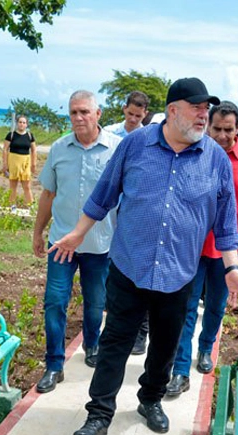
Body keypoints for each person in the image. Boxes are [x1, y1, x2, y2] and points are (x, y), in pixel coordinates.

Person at [49, 78, 238, 435]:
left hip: (179, 273)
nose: (202, 116)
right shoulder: (135, 145)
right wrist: (78, 233)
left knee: (164, 345)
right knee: (115, 342)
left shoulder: (215, 160)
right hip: (129, 265)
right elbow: (104, 194)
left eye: (206, 110)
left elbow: (225, 222)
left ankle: (150, 400)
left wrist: (232, 267)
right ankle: (98, 417)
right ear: (173, 110)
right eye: (196, 108)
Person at [166, 101, 238, 397]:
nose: (222, 136)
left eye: (229, 130)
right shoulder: (193, 154)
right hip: (191, 249)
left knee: (215, 307)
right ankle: (180, 370)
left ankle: (206, 349)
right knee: (185, 308)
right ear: (208, 126)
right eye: (217, 129)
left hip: (228, 254)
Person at [32, 90, 122, 394]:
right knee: (54, 302)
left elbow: (126, 199)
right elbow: (48, 194)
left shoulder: (117, 149)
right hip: (61, 245)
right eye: (73, 113)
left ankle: (92, 345)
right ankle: (54, 365)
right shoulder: (59, 149)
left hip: (99, 246)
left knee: (96, 303)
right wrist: (37, 232)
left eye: (85, 112)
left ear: (98, 114)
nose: (79, 118)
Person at [103, 91, 152, 356]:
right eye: (130, 113)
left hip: (133, 216)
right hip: (109, 212)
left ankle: (140, 332)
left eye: (138, 115)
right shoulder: (109, 134)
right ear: (124, 109)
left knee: (136, 272)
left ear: (145, 113)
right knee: (112, 271)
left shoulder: (148, 140)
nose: (133, 119)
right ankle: (113, 324)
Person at [3, 115, 37, 205]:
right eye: (20, 122)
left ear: (26, 125)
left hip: (26, 163)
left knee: (27, 186)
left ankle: (32, 207)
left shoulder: (30, 136)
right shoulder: (11, 135)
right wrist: (5, 164)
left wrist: (33, 164)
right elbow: (5, 149)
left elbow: (34, 150)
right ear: (17, 123)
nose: (22, 124)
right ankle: (12, 208)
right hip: (13, 162)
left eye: (24, 122)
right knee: (13, 187)